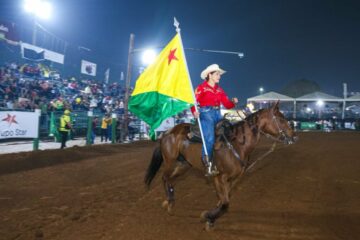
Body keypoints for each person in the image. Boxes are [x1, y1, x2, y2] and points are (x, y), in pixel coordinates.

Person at [191, 64, 238, 176]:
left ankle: (226, 159)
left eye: (219, 74)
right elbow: (193, 102)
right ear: (210, 75)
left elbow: (227, 104)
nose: (219, 76)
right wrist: (194, 111)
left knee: (229, 132)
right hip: (206, 114)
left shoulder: (219, 90)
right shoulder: (201, 88)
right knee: (210, 139)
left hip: (218, 113)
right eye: (217, 74)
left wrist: (233, 102)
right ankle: (207, 162)